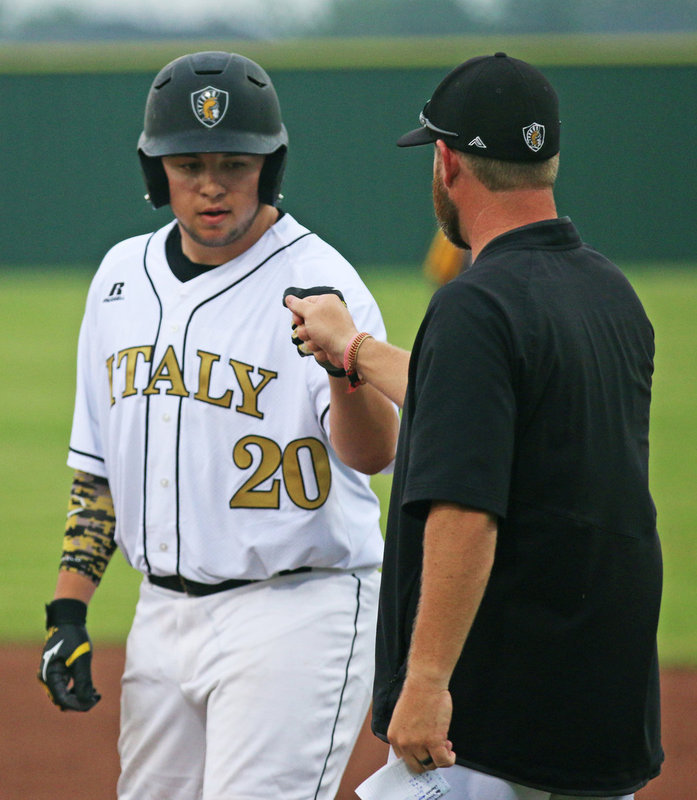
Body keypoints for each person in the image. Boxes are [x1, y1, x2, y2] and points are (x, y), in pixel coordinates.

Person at [285, 52, 663, 799]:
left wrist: (423, 682)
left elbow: (466, 509)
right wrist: (353, 350)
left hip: (490, 731)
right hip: (597, 714)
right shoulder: (608, 295)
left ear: (447, 161)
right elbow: (475, 402)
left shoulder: (473, 307)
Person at [37, 50, 400, 800]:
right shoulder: (118, 279)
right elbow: (98, 470)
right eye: (187, 162)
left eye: (234, 163)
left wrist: (340, 363)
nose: (210, 184)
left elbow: (374, 454)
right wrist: (68, 608)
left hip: (298, 610)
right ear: (154, 171)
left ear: (268, 168)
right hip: (161, 617)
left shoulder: (320, 281)